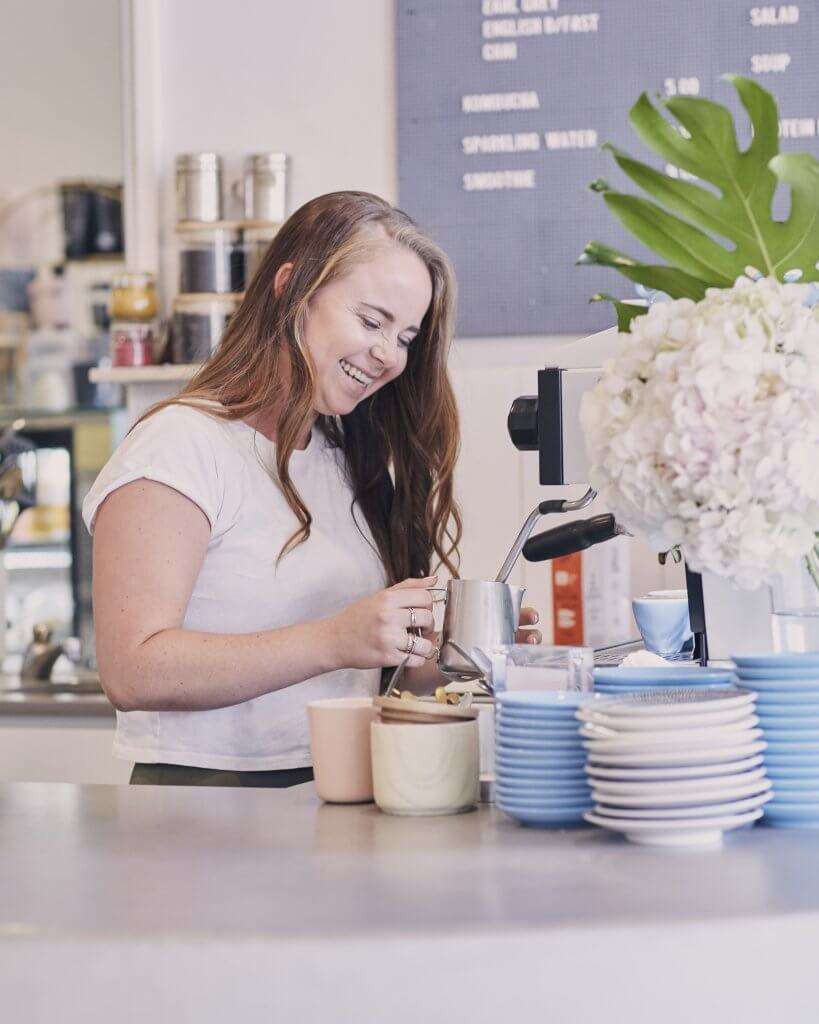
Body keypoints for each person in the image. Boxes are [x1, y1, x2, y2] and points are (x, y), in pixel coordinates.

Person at [83, 191, 540, 787]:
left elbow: (352, 677)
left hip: (335, 787)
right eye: (372, 321)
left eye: (405, 337)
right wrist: (336, 638)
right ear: (291, 289)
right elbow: (132, 670)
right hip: (202, 808)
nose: (387, 355)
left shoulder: (343, 459)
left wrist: (446, 657)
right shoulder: (180, 445)